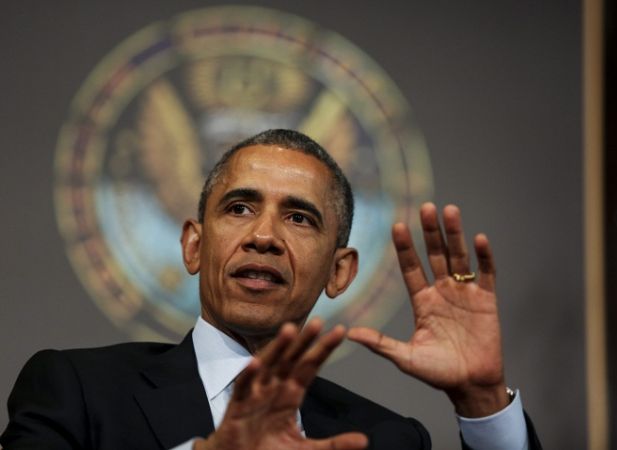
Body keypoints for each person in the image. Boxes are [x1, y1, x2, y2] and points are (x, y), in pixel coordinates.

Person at [1, 129, 541, 449]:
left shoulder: (385, 438)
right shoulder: (78, 391)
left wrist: (482, 403)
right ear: (194, 245)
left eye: (299, 218)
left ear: (339, 271)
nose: (263, 236)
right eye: (239, 208)